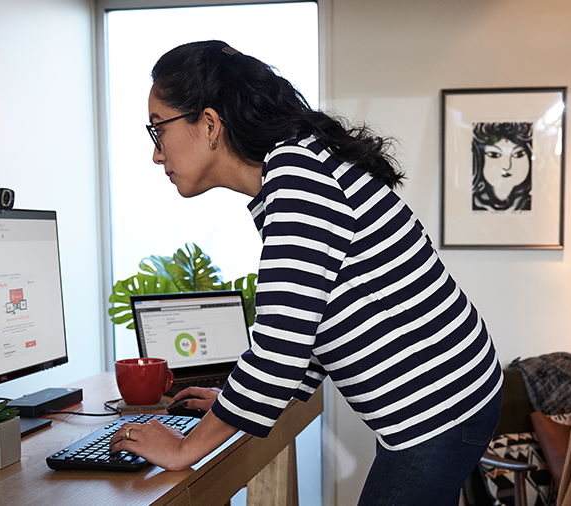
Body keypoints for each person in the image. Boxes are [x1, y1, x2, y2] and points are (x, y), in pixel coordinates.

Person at [110, 40, 502, 505]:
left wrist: (183, 448)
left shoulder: (298, 178)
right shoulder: (297, 168)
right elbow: (314, 322)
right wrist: (233, 403)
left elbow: (280, 347)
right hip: (451, 398)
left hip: (439, 408)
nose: (157, 154)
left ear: (210, 124)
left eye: (158, 130)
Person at [471, 122, 532, 211]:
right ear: (479, 159)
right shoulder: (468, 203)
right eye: (494, 155)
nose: (506, 166)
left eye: (518, 154)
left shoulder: (537, 204)